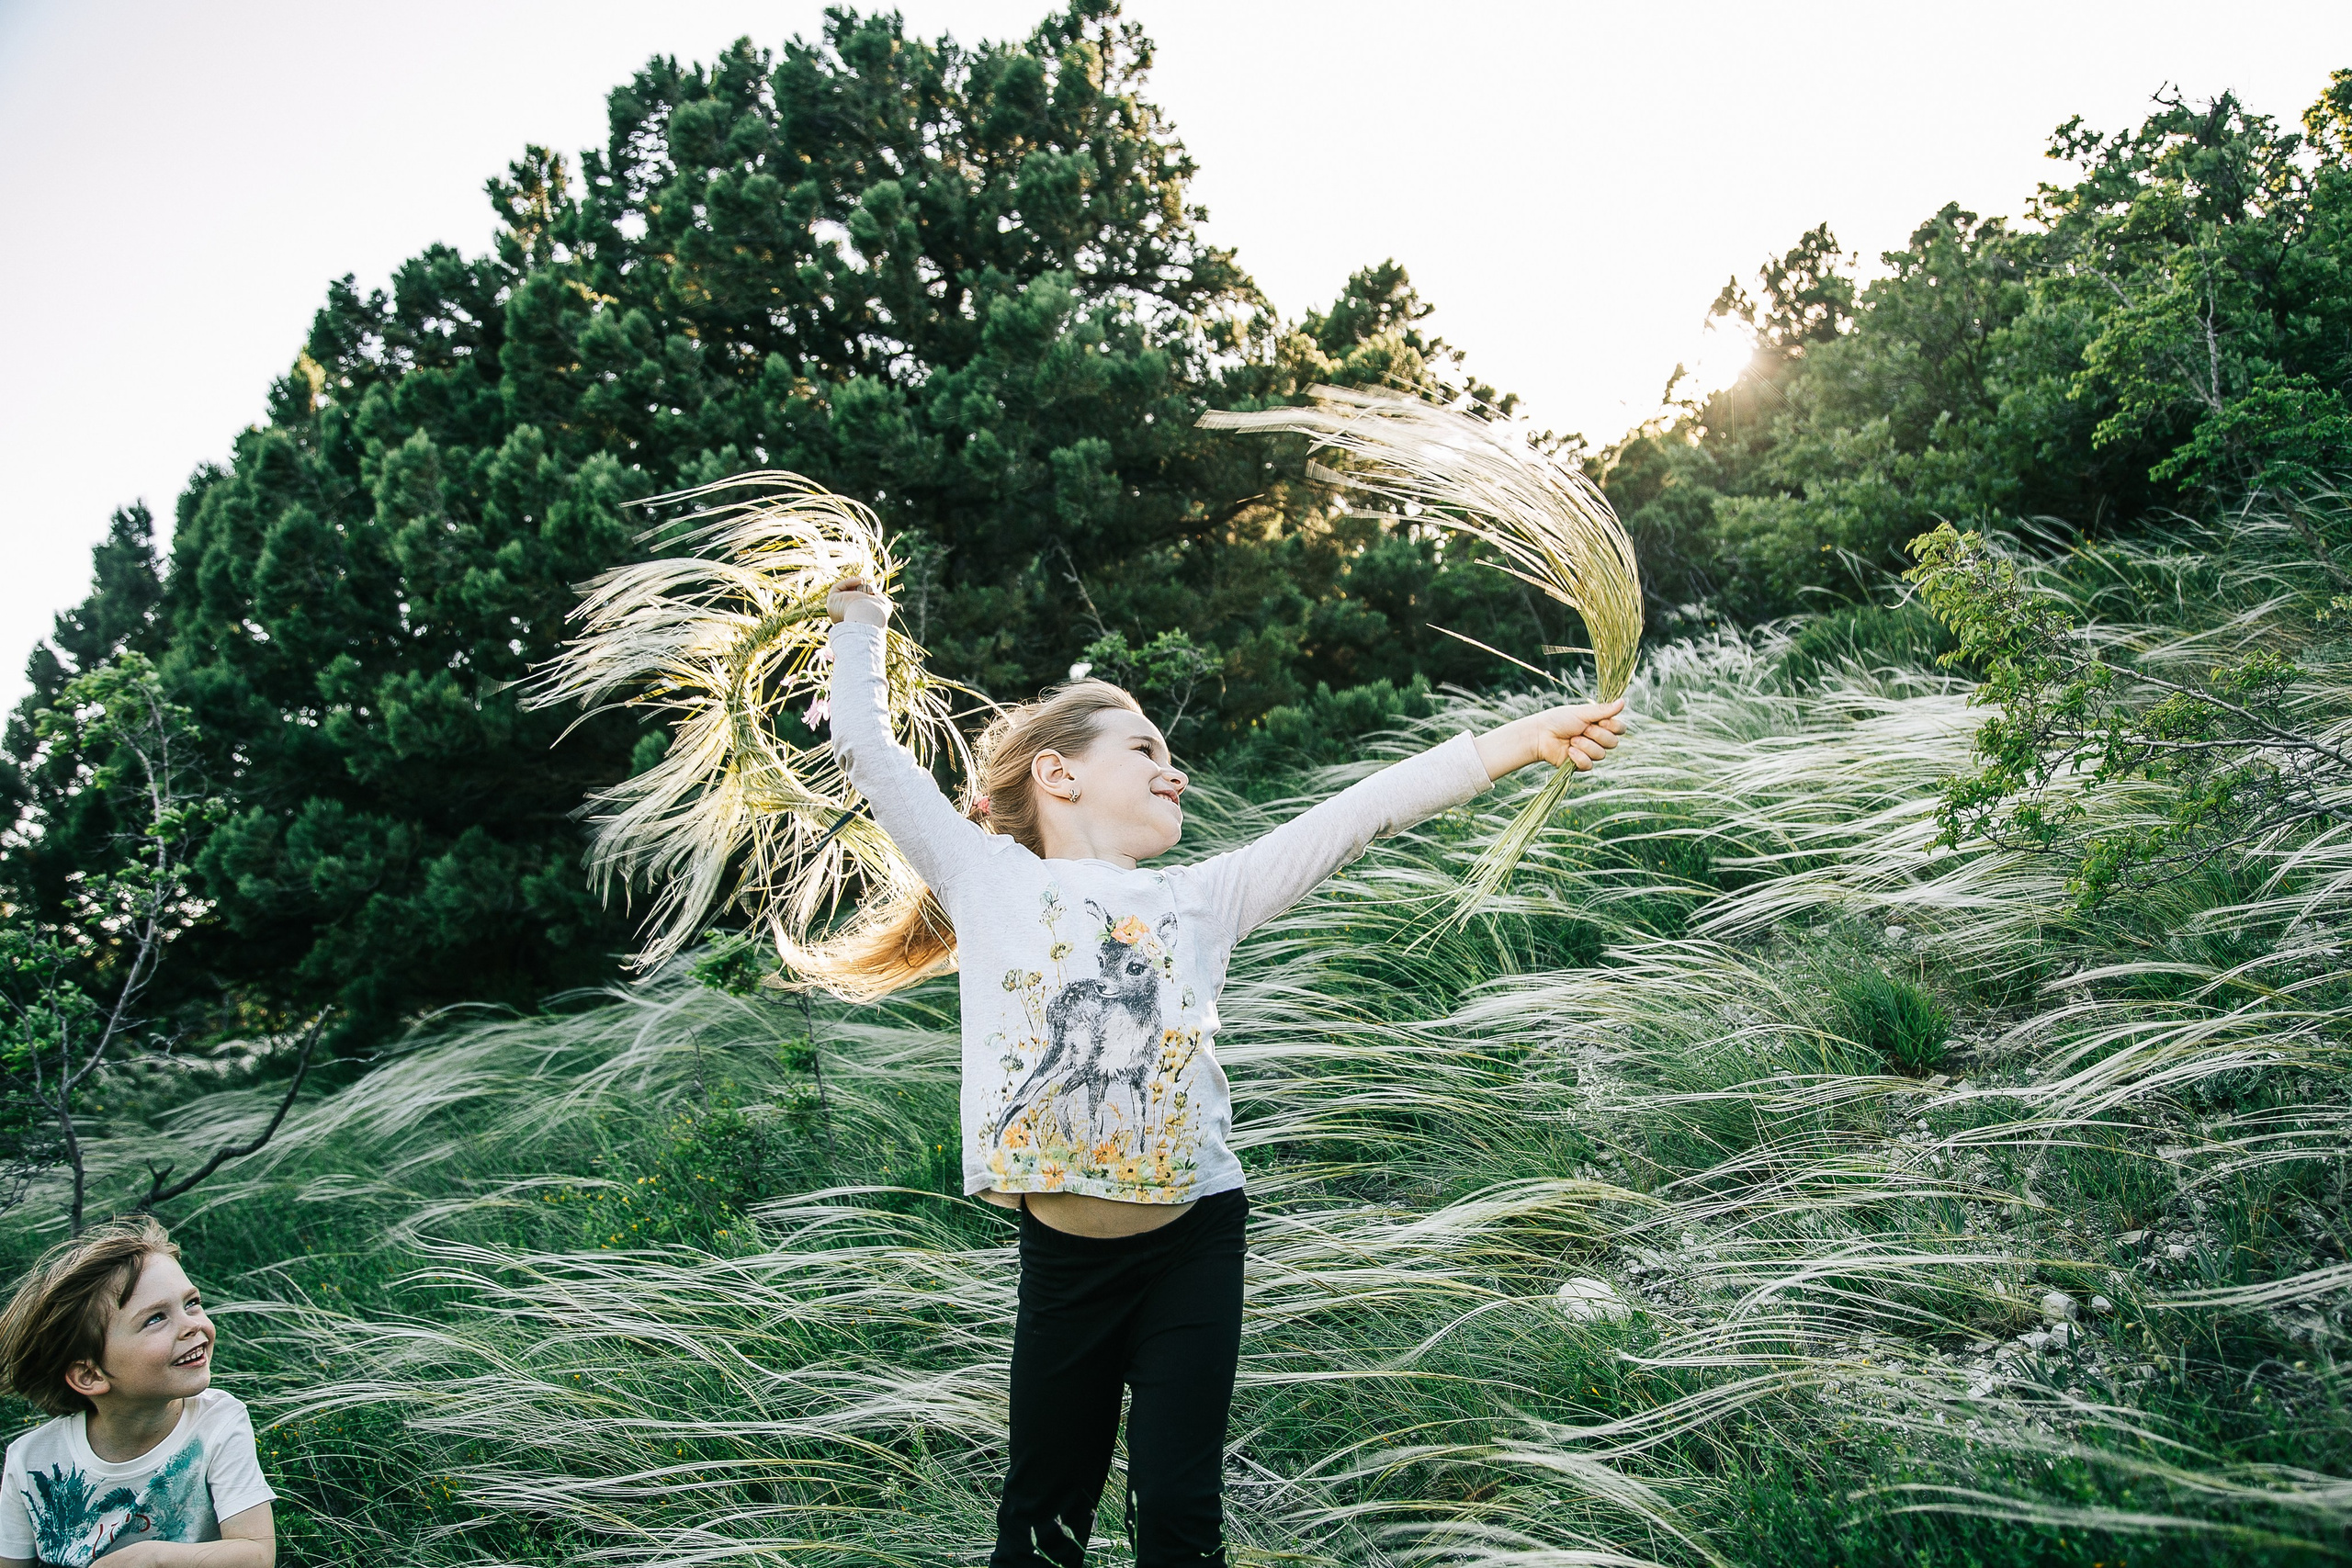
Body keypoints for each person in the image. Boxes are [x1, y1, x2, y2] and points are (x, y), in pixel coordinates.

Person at [816, 577, 1625, 1568]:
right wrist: (860, 625)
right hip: (1066, 1271)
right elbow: (868, 751)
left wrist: (1520, 740)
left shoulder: (1204, 895)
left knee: (1182, 1514)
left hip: (1194, 1239)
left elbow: (1359, 814)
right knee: (1042, 1516)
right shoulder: (988, 878)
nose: (1176, 770)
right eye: (1146, 749)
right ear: (1058, 777)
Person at [0, 1216, 275, 1567]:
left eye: (191, 1303)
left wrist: (154, 1558)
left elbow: (257, 1552)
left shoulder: (218, 1423)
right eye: (155, 1319)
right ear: (89, 1375)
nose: (193, 1325)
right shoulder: (31, 1462)